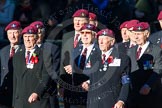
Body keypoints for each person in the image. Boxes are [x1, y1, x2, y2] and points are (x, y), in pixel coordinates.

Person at [87, 28, 131, 108]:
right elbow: (93, 78)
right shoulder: (94, 57)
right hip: (94, 103)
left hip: (112, 102)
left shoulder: (122, 58)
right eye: (99, 39)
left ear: (112, 41)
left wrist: (121, 100)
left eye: (104, 39)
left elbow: (126, 82)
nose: (101, 42)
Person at [12, 26, 51, 108]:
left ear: (36, 38)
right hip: (20, 102)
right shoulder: (17, 55)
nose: (27, 39)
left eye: (30, 36)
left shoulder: (45, 55)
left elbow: (46, 76)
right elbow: (16, 80)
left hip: (37, 100)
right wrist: (15, 102)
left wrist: (37, 92)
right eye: (25, 37)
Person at [127, 22, 162, 108]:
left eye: (139, 34)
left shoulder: (156, 50)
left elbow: (157, 70)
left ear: (147, 34)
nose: (136, 37)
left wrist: (148, 85)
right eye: (135, 34)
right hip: (133, 93)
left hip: (149, 94)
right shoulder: (130, 51)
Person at [60, 9, 89, 108]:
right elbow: (63, 60)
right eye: (76, 19)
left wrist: (75, 68)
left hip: (84, 84)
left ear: (87, 22)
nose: (77, 22)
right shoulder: (67, 36)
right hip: (68, 83)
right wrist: (61, 84)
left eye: (81, 20)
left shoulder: (92, 37)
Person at [30, 21, 60, 108]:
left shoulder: (53, 49)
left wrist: (39, 90)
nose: (38, 35)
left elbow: (54, 73)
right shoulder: (23, 50)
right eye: (35, 33)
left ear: (44, 33)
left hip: (46, 95)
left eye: (40, 32)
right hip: (28, 92)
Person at [0, 21, 22, 108]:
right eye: (10, 33)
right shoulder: (3, 51)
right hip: (3, 94)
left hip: (19, 93)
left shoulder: (26, 50)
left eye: (15, 32)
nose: (12, 36)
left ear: (21, 33)